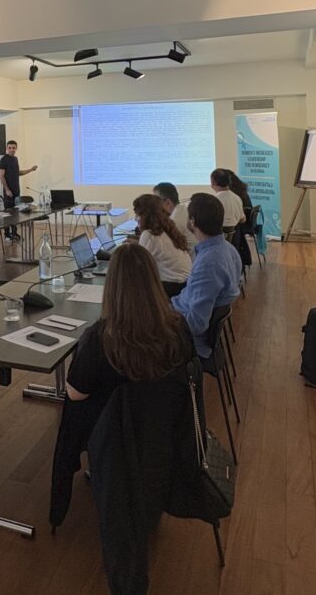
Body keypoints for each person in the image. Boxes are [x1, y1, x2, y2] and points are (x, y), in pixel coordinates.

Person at [62, 242, 195, 455]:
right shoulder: (178, 326)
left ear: (111, 286)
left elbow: (76, 394)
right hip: (170, 429)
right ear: (155, 280)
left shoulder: (100, 337)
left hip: (115, 436)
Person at [171, 194, 243, 359]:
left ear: (192, 222)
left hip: (187, 338)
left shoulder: (208, 265)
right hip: (181, 311)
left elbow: (196, 324)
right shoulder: (229, 249)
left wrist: (164, 317)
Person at [132, 194, 192, 298]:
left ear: (145, 216)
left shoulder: (148, 235)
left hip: (171, 288)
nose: (135, 219)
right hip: (184, 285)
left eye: (137, 215)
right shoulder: (169, 229)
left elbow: (140, 266)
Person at [0, 139, 37, 241]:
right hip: (8, 192)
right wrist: (7, 190)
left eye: (13, 148)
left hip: (16, 191)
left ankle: (14, 233)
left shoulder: (15, 159)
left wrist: (30, 169)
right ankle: (7, 235)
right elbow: (1, 176)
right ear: (7, 148)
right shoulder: (3, 159)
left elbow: (18, 173)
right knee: (8, 214)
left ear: (16, 148)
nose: (12, 149)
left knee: (15, 214)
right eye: (10, 148)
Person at [153, 182, 196, 251]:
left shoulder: (174, 220)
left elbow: (164, 247)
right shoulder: (183, 209)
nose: (155, 206)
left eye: (156, 202)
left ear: (168, 202)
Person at [209, 168, 246, 234]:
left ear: (213, 182)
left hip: (217, 235)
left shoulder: (213, 200)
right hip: (235, 236)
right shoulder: (237, 198)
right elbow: (243, 220)